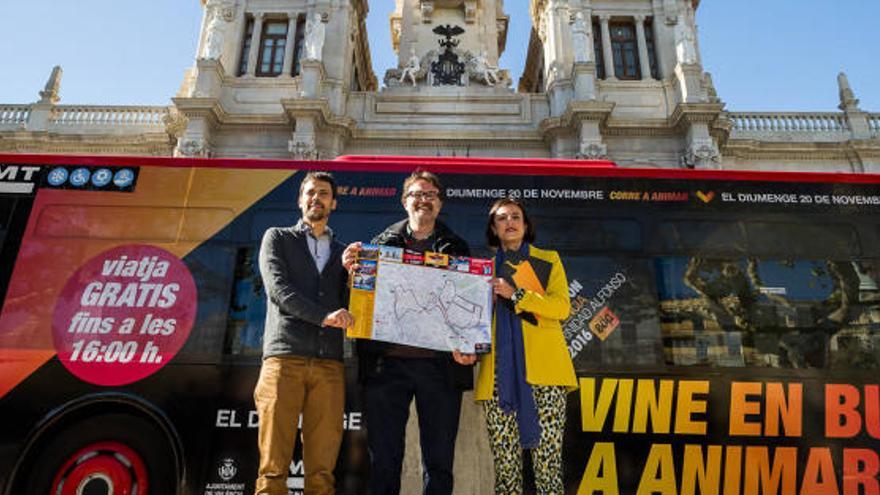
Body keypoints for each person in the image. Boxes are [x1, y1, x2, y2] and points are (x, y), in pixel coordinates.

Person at [342, 170, 476, 495]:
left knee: (439, 462)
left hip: (441, 368)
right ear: (405, 202)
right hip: (386, 368)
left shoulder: (458, 248)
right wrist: (350, 274)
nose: (423, 199)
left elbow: (468, 305)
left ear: (439, 204)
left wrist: (469, 345)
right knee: (384, 460)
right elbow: (361, 301)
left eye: (430, 194)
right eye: (417, 193)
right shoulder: (378, 245)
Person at [254, 171, 354, 495]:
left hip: (330, 365)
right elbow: (279, 291)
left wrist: (357, 278)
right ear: (300, 200)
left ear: (334, 203)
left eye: (324, 193)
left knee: (322, 473)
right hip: (284, 359)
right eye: (310, 192)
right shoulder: (278, 238)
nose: (316, 198)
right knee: (272, 469)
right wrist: (325, 317)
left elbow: (353, 307)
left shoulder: (344, 253)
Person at [475, 198, 577, 494]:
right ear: (494, 229)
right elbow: (468, 320)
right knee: (506, 469)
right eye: (502, 218)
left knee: (547, 467)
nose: (510, 222)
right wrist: (486, 303)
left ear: (526, 224)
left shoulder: (547, 259)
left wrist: (516, 294)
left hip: (546, 376)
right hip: (497, 380)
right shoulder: (482, 269)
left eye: (516, 216)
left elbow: (561, 308)